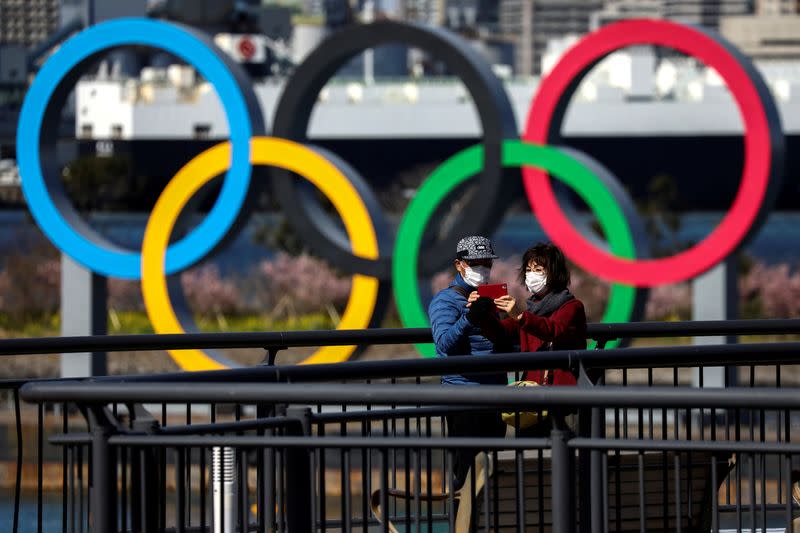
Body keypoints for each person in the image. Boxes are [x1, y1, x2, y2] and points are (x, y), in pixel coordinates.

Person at [467, 242, 587, 432]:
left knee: (566, 454)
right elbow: (502, 333)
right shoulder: (531, 308)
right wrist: (483, 312)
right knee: (533, 454)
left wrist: (520, 316)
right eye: (529, 269)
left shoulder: (572, 307)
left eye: (538, 269)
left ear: (554, 273)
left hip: (564, 398)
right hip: (533, 398)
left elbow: (553, 330)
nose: (532, 275)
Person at [428, 235, 507, 489]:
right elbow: (444, 344)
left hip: (495, 397)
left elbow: (504, 345)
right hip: (463, 398)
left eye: (487, 264)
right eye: (476, 263)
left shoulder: (490, 298)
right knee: (466, 476)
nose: (483, 269)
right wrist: (469, 318)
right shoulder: (445, 301)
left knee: (493, 476)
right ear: (459, 265)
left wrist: (505, 316)